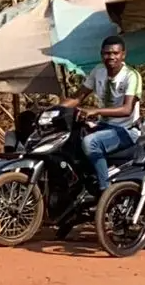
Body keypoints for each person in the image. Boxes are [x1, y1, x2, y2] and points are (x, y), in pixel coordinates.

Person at [61, 35, 143, 195]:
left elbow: (127, 109)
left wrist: (96, 111)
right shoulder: (98, 71)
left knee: (90, 142)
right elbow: (77, 98)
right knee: (68, 137)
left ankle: (105, 191)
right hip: (103, 126)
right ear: (101, 54)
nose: (111, 57)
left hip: (126, 130)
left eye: (115, 53)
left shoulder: (131, 76)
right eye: (107, 53)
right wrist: (53, 110)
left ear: (123, 55)